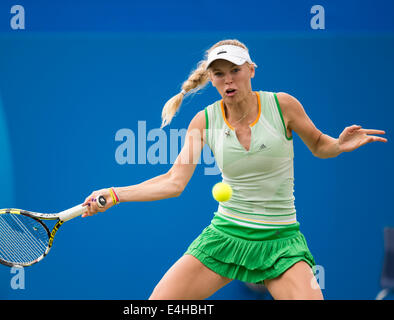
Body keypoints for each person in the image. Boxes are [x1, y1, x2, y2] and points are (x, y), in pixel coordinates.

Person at [81, 39, 387, 300]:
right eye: (219, 74)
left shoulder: (283, 106)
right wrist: (114, 193)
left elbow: (320, 145)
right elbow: (173, 181)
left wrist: (338, 144)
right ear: (211, 79)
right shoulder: (204, 121)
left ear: (251, 70)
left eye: (235, 71)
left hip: (280, 242)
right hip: (225, 236)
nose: (229, 80)